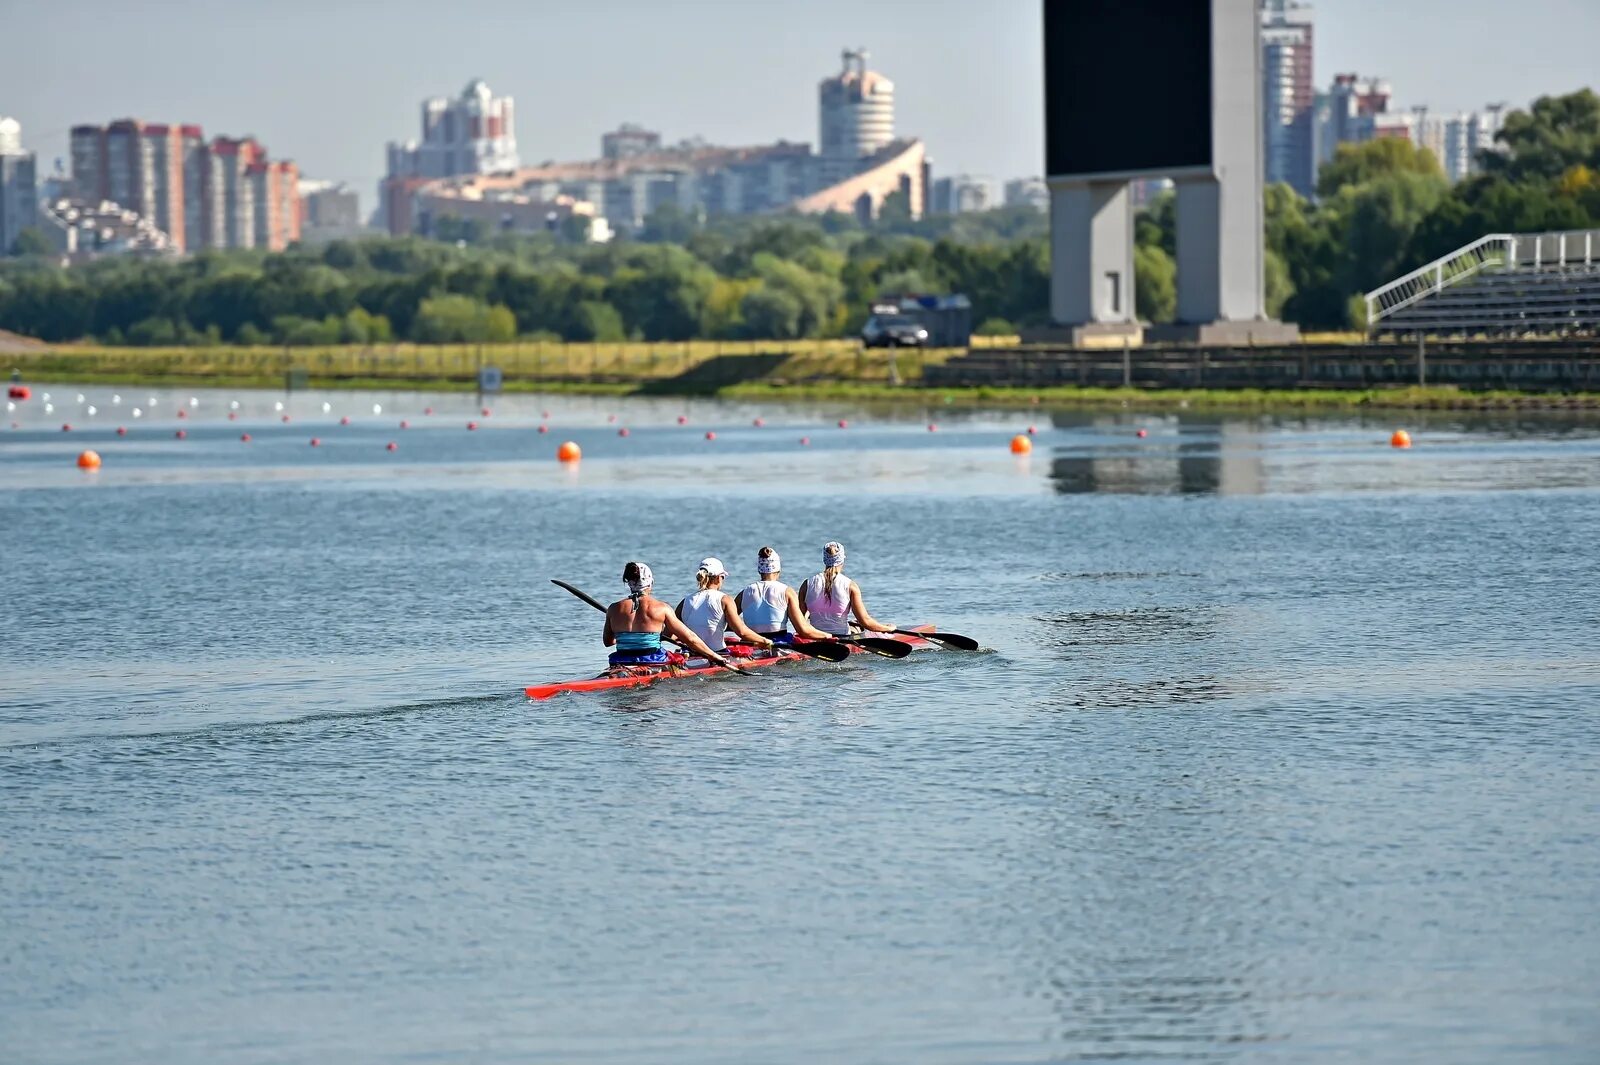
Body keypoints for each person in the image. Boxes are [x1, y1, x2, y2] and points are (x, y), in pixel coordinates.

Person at [604, 561, 731, 671]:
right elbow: (690, 639)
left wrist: (629, 638)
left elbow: (608, 642)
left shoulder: (613, 608)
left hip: (621, 661)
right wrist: (714, 656)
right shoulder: (662, 608)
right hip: (653, 662)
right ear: (650, 582)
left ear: (629, 583)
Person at [676, 557, 776, 659]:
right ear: (719, 577)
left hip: (690, 654)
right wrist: (765, 641)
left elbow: (670, 635)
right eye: (723, 577)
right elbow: (742, 632)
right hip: (719, 654)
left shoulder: (684, 602)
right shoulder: (724, 599)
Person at [735, 546, 836, 645]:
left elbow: (727, 623)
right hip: (779, 643)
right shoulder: (787, 592)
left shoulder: (743, 593)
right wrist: (828, 636)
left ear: (759, 570)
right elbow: (803, 630)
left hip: (750, 643)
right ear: (778, 570)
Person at [800, 541, 896, 636]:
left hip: (814, 639)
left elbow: (800, 622)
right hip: (842, 637)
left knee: (854, 623)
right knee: (858, 625)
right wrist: (887, 628)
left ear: (824, 559)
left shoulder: (806, 585)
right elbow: (865, 621)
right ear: (842, 560)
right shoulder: (850, 586)